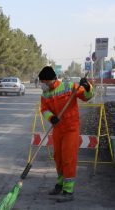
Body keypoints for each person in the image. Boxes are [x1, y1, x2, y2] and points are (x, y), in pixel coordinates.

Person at [38, 66, 93, 202]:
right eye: (42, 83)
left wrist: (87, 87)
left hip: (71, 129)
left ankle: (68, 191)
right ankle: (60, 184)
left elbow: (86, 97)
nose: (42, 85)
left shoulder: (69, 86)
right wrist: (52, 118)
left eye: (44, 82)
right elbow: (44, 110)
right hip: (58, 128)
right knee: (58, 158)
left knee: (68, 158)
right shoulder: (45, 94)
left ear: (51, 80)